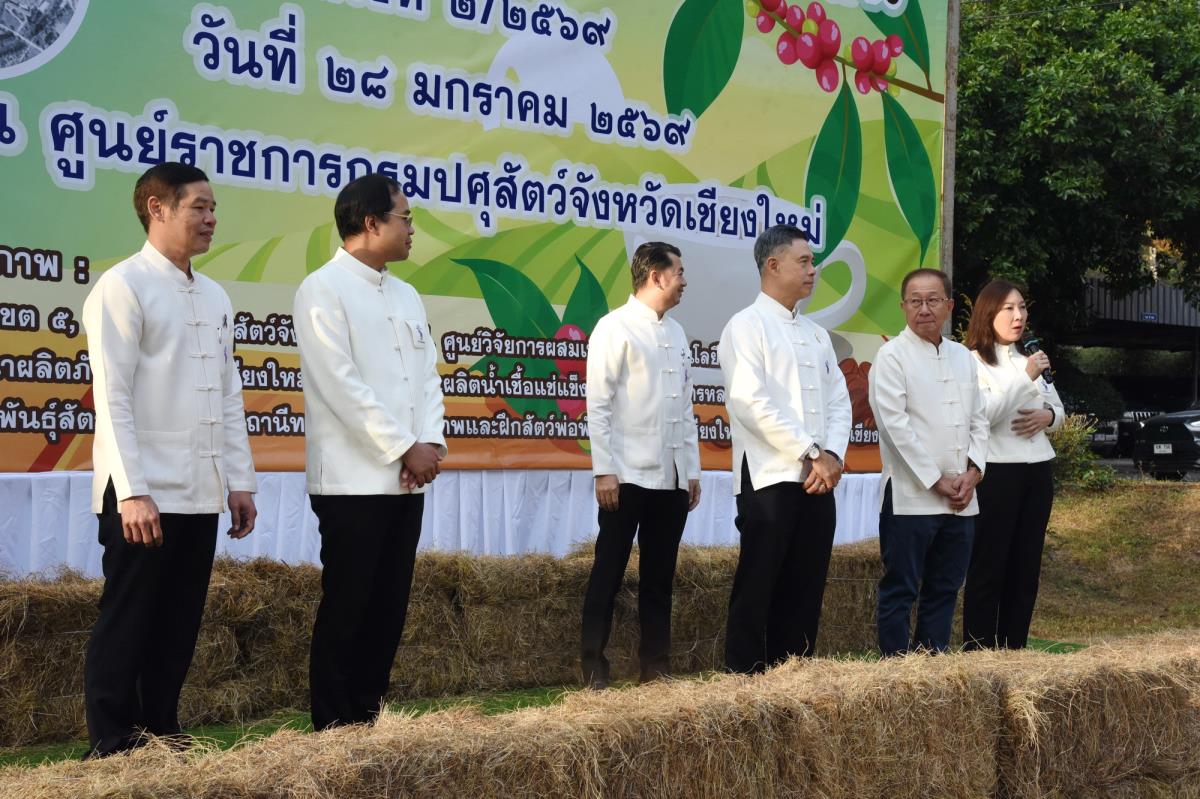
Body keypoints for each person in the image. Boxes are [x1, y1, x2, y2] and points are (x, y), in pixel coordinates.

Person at [81, 162, 258, 757]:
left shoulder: (215, 294)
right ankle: (112, 741)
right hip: (142, 490)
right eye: (198, 207)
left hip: (198, 488)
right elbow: (112, 397)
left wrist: (239, 480)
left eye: (213, 209)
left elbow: (228, 393)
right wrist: (132, 491)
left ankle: (160, 730)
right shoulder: (122, 285)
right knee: (129, 616)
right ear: (157, 208)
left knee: (179, 621)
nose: (211, 219)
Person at [294, 173, 446, 730]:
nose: (412, 230)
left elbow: (427, 376)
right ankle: (334, 728)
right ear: (370, 223)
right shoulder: (322, 289)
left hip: (406, 480)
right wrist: (404, 447)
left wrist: (429, 443)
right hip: (351, 481)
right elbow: (340, 385)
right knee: (348, 605)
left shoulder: (406, 294)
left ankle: (369, 718)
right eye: (405, 219)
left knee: (389, 607)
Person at [718, 224, 851, 674]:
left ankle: (794, 678)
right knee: (759, 584)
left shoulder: (816, 334)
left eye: (813, 262)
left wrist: (832, 457)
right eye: (805, 261)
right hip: (769, 476)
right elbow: (749, 402)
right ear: (773, 265)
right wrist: (812, 452)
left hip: (818, 480)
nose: (813, 270)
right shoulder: (745, 326)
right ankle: (745, 681)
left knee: (806, 586)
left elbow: (840, 401)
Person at [580, 241, 702, 689]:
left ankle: (655, 667)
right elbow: (598, 404)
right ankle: (592, 666)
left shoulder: (678, 333)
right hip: (626, 474)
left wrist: (691, 470)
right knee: (608, 571)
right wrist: (604, 470)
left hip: (671, 477)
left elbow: (685, 407)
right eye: (679, 272)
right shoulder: (614, 327)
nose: (684, 281)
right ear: (656, 276)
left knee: (659, 576)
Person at [868, 268, 988, 656]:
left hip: (961, 498)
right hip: (911, 497)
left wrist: (974, 472)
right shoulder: (891, 357)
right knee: (901, 587)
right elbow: (893, 426)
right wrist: (936, 480)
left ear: (949, 305)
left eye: (933, 300)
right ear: (903, 306)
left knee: (945, 588)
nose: (924, 309)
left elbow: (979, 419)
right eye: (915, 301)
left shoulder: (963, 357)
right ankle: (896, 671)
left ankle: (932, 666)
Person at [962, 279, 1064, 649]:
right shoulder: (972, 362)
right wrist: (1025, 379)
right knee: (989, 565)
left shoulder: (1030, 359)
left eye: (1022, 307)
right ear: (988, 313)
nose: (1019, 315)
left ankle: (1014, 648)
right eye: (1009, 308)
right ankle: (978, 649)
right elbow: (984, 415)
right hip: (997, 470)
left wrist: (1048, 416)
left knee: (1026, 567)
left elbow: (1060, 411)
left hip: (1036, 470)